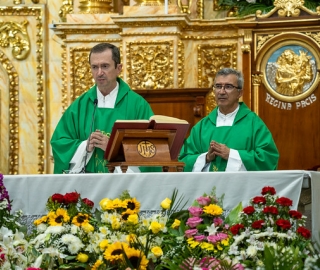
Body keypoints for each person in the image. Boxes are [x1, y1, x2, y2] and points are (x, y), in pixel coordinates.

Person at [50, 43, 154, 174]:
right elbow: (60, 143)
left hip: (124, 187)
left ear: (119, 68)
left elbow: (151, 149)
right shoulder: (80, 105)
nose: (99, 73)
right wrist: (84, 147)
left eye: (105, 66)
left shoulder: (138, 105)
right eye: (94, 67)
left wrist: (113, 149)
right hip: (87, 185)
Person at [179, 68, 279, 172]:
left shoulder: (253, 123)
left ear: (240, 93)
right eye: (218, 86)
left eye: (228, 86)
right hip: (208, 187)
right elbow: (183, 161)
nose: (222, 92)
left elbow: (268, 158)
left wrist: (231, 155)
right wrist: (206, 157)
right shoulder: (201, 127)